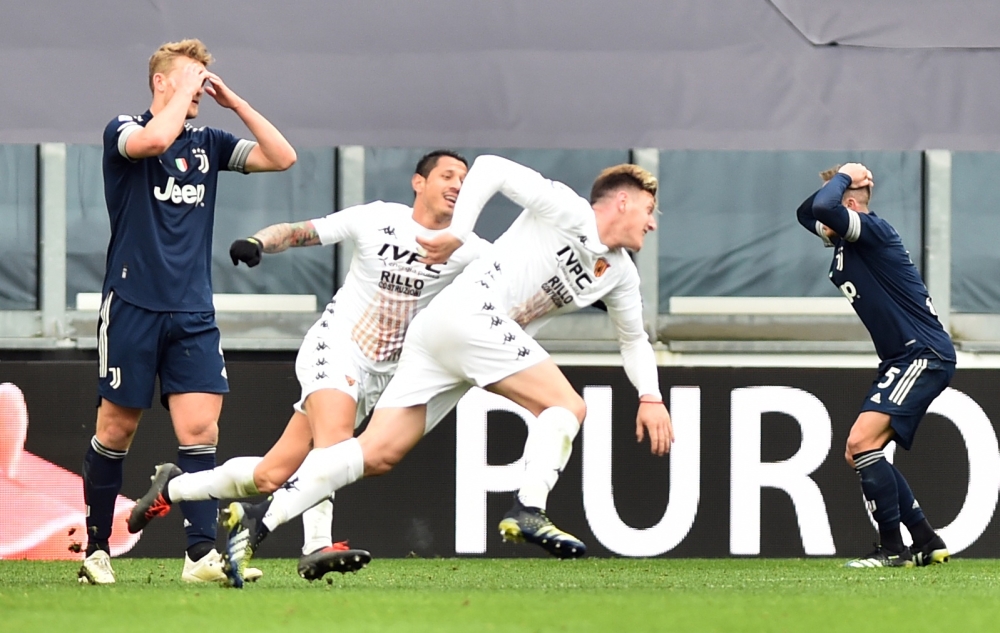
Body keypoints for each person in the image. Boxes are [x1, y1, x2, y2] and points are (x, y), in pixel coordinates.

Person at [218, 154, 675, 586]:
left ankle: (261, 520)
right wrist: (459, 232)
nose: (653, 223)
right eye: (649, 209)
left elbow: (634, 340)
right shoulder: (566, 208)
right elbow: (491, 168)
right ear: (623, 200)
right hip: (470, 318)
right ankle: (528, 508)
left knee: (375, 454)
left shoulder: (620, 275)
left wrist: (650, 396)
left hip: (443, 333)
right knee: (567, 406)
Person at [128, 150, 489, 585]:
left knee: (269, 475)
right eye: (447, 175)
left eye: (464, 181)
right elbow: (302, 232)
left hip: (377, 376)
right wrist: (260, 242)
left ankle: (173, 488)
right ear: (418, 183)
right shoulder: (378, 220)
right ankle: (316, 546)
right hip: (334, 347)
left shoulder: (470, 250)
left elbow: (517, 277)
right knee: (335, 446)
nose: (456, 185)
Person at [78, 38, 297, 585]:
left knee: (201, 431)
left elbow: (281, 157)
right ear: (160, 81)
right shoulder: (123, 129)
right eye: (192, 78)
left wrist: (235, 103)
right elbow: (153, 139)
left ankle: (200, 556)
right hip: (131, 304)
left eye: (205, 80)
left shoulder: (209, 142)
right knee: (116, 428)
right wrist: (179, 91)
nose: (201, 88)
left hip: (193, 310)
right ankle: (97, 550)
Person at [796, 163, 954, 568]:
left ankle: (892, 550)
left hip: (922, 353)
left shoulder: (871, 231)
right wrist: (842, 182)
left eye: (831, 210)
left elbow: (827, 209)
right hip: (904, 357)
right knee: (860, 453)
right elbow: (806, 212)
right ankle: (923, 539)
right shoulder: (845, 237)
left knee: (860, 443)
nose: (820, 225)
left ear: (849, 205)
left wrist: (847, 174)